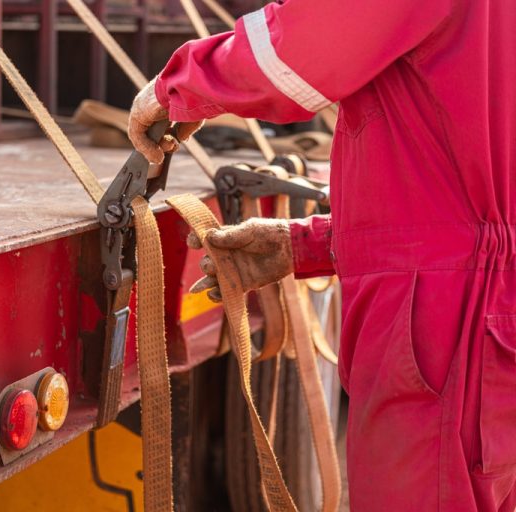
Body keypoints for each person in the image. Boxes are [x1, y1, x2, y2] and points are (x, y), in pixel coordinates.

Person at [127, 0, 516, 510]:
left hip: (444, 323)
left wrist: (176, 86)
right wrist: (314, 244)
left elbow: (305, 48)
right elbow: (465, 195)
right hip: (480, 313)